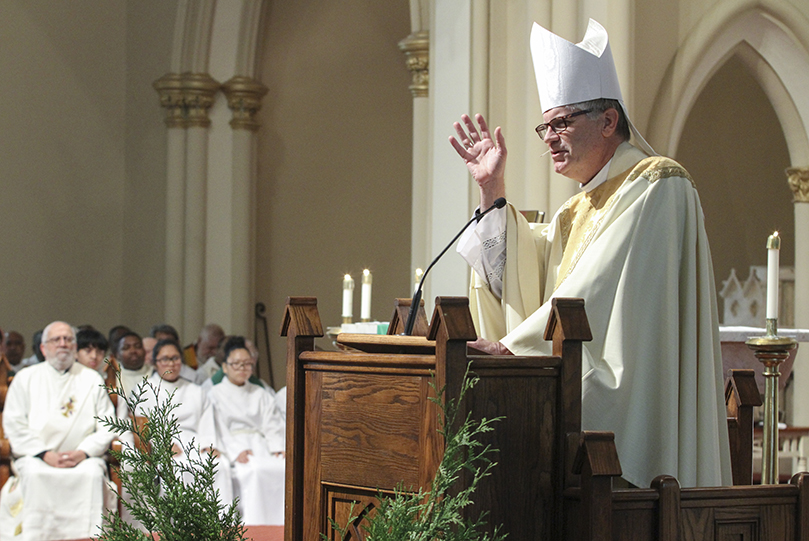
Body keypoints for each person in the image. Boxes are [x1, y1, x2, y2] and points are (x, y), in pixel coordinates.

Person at [449, 19, 730, 488]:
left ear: (608, 120)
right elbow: (522, 277)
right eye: (545, 127)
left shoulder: (659, 184)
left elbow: (595, 285)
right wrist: (492, 191)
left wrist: (513, 348)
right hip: (573, 412)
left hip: (635, 406)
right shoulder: (571, 211)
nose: (549, 138)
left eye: (560, 123)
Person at [0, 321, 115, 540]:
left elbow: (107, 425)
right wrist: (45, 454)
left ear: (74, 346)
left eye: (68, 339)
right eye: (56, 340)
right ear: (44, 348)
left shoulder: (92, 379)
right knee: (35, 475)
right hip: (37, 457)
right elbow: (14, 425)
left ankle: (88, 536)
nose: (63, 344)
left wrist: (83, 453)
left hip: (82, 458)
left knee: (91, 474)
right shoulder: (25, 378)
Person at [131, 339, 232, 503]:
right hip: (163, 445)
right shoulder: (144, 390)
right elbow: (141, 424)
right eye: (165, 359)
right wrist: (161, 444)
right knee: (176, 467)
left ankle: (217, 522)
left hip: (195, 442)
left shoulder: (195, 390)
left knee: (218, 465)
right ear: (155, 362)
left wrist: (209, 445)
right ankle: (178, 525)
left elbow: (206, 421)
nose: (171, 364)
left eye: (175, 358)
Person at [208, 336, 284, 525]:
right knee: (254, 470)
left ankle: (277, 523)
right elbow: (218, 428)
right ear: (225, 367)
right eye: (236, 364)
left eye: (247, 364)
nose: (242, 369)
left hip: (260, 444)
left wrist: (278, 447)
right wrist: (235, 451)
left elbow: (271, 423)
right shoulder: (214, 394)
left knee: (281, 467)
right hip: (234, 445)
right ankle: (252, 523)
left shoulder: (260, 393)